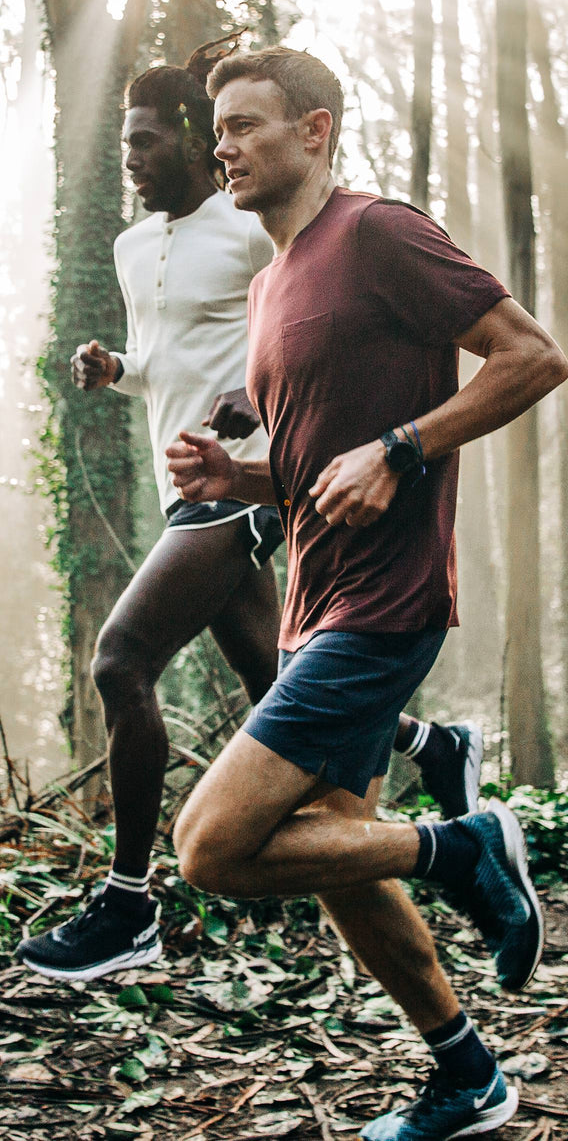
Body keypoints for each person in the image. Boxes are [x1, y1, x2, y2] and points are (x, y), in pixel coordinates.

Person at [164, 47, 568, 1141]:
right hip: (315, 601)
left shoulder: (378, 232)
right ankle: (467, 1076)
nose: (226, 146)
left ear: (317, 131)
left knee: (210, 846)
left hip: (383, 603)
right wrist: (239, 477)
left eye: (249, 125)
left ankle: (467, 845)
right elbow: (314, 467)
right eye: (221, 131)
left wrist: (403, 444)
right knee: (335, 855)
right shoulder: (268, 285)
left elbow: (531, 356)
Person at [16, 49, 484, 987]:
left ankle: (129, 901)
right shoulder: (130, 248)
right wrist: (120, 370)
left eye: (148, 142)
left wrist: (279, 412)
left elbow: (298, 343)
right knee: (281, 683)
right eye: (123, 146)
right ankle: (433, 747)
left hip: (251, 491)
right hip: (200, 486)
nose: (133, 161)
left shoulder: (260, 231)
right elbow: (173, 353)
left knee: (121, 659)